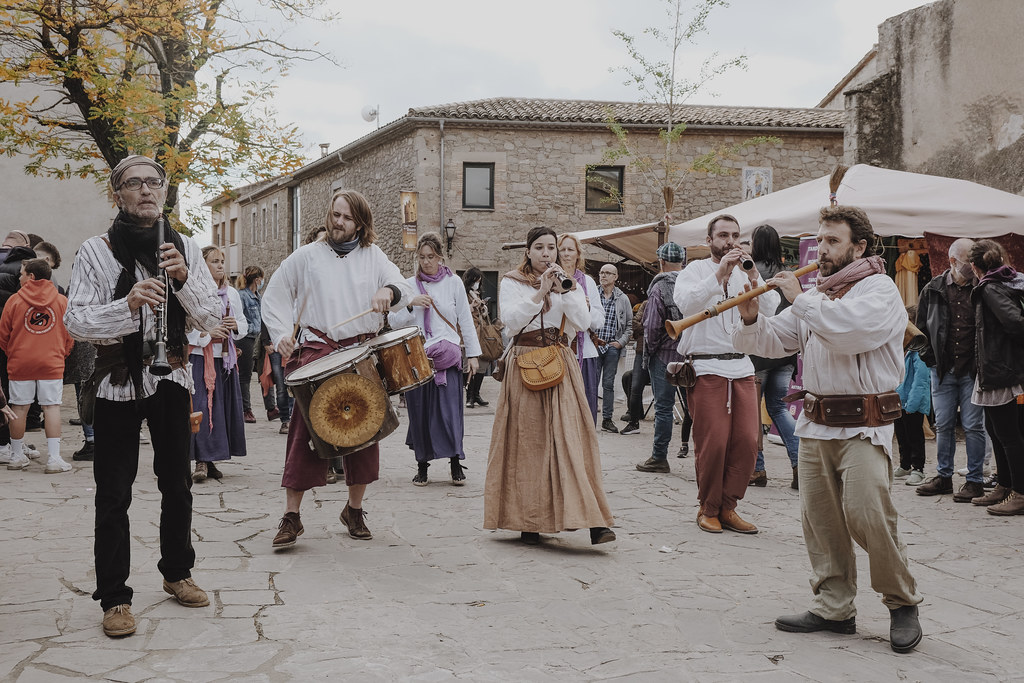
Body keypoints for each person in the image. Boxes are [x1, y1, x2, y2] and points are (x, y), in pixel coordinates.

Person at [733, 205, 923, 653]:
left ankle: (901, 602)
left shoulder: (879, 290)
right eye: (820, 240)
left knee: (868, 514)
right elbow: (774, 341)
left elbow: (848, 332)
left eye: (832, 241)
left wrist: (799, 297)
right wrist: (748, 315)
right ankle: (834, 607)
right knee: (820, 522)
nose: (822, 249)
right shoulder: (817, 294)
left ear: (859, 246)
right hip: (816, 424)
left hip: (864, 424)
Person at [64, 155, 222, 638]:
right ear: (119, 195)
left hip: (170, 378)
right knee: (113, 494)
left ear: (165, 192)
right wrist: (128, 304)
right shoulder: (96, 250)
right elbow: (77, 321)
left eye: (154, 182)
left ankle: (177, 572)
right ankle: (114, 598)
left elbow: (212, 318)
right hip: (117, 384)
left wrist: (183, 281)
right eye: (134, 184)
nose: (147, 190)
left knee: (177, 485)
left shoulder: (186, 247)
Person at [262, 189, 414, 548]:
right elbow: (276, 294)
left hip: (359, 354)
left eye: (346, 217)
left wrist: (389, 293)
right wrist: (283, 333)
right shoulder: (307, 257)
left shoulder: (373, 256)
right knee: (305, 435)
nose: (337, 221)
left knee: (364, 433)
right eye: (334, 214)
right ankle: (292, 516)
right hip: (318, 350)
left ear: (360, 223)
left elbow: (403, 287)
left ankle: (354, 509)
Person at [484, 226, 615, 546]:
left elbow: (583, 323)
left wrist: (565, 291)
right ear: (528, 251)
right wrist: (540, 292)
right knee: (527, 444)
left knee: (573, 441)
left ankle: (594, 521)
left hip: (560, 361)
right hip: (524, 362)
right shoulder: (511, 282)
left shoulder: (566, 282)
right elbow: (512, 322)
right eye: (539, 248)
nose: (547, 254)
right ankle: (529, 520)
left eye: (551, 248)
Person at [675, 215, 776, 534]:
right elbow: (685, 305)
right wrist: (720, 273)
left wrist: (754, 273)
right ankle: (709, 507)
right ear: (709, 241)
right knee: (714, 442)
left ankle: (729, 506)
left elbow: (772, 307)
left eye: (735, 235)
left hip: (742, 365)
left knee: (748, 442)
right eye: (722, 235)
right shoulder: (694, 270)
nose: (730, 241)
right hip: (705, 365)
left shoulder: (748, 270)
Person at [389, 232, 480, 486]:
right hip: (418, 359)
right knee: (420, 413)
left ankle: (454, 463)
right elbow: (392, 322)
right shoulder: (408, 285)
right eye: (422, 257)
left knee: (451, 413)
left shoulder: (454, 283)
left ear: (440, 257)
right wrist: (410, 304)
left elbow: (465, 319)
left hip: (448, 358)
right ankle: (422, 466)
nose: (426, 262)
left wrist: (473, 355)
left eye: (431, 257)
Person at [915, 238, 987, 501]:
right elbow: (920, 328)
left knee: (973, 426)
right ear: (953, 261)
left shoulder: (982, 288)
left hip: (972, 371)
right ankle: (944, 477)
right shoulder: (932, 289)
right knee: (943, 424)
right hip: (942, 370)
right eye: (969, 261)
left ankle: (975, 481)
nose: (972, 266)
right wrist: (929, 359)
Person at [964, 239, 1024, 514]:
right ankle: (1005, 485)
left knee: (1009, 434)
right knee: (996, 431)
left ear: (975, 266)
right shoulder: (1012, 281)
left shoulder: (990, 288)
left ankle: (1020, 493)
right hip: (1000, 368)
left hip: (1002, 369)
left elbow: (1014, 322)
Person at [0, 258, 75, 472]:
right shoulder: (62, 301)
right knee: (51, 407)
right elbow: (70, 333)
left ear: (31, 276)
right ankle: (53, 458)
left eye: (22, 273)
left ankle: (15, 455)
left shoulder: (14, 301)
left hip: (20, 362)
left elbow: (3, 334)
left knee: (18, 407)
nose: (20, 277)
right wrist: (63, 353)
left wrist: (13, 352)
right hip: (51, 361)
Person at [187, 246, 248, 482]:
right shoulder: (195, 293)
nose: (221, 265)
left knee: (221, 410)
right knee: (202, 408)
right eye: (215, 261)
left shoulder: (231, 294)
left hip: (225, 360)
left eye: (222, 261)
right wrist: (206, 332)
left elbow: (244, 324)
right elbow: (186, 327)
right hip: (202, 358)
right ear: (203, 265)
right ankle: (200, 459)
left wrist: (234, 326)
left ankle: (211, 460)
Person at [747, 224, 801, 490]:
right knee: (779, 408)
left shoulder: (750, 272)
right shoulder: (790, 274)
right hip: (785, 351)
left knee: (752, 413)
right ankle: (799, 464)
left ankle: (757, 470)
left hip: (757, 352)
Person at [634, 242, 686, 472]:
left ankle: (659, 456)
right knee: (696, 409)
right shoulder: (692, 284)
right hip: (691, 353)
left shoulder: (660, 287)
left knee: (664, 407)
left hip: (665, 355)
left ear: (661, 262)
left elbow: (653, 326)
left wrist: (650, 352)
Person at [556, 233, 604, 423]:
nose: (566, 254)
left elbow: (599, 321)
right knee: (562, 411)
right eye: (562, 250)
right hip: (557, 353)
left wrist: (587, 308)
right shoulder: (549, 280)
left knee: (584, 411)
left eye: (570, 250)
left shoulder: (588, 282)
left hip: (584, 354)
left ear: (578, 254)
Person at [893, 305, 930, 485]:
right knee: (901, 434)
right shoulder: (900, 347)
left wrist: (913, 404)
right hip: (899, 401)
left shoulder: (919, 349)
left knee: (915, 435)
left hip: (912, 402)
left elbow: (921, 380)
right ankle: (905, 464)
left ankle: (918, 468)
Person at [595, 263, 632, 433]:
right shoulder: (593, 294)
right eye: (602, 272)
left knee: (608, 384)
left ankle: (607, 420)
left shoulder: (622, 298)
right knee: (590, 383)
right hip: (594, 345)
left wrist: (621, 342)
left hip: (611, 347)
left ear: (615, 277)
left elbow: (630, 325)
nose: (604, 276)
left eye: (608, 273)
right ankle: (588, 417)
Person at [236, 266, 264, 424]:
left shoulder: (257, 295)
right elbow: (240, 318)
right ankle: (245, 409)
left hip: (256, 339)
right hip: (245, 339)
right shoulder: (242, 296)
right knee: (245, 376)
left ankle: (270, 407)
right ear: (257, 279)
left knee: (258, 374)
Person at [463, 267, 490, 408]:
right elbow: (459, 312)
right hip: (470, 333)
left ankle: (477, 394)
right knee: (469, 365)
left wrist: (483, 307)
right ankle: (469, 396)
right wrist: (471, 306)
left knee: (482, 365)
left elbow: (483, 315)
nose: (477, 284)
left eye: (479, 281)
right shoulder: (464, 294)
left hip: (481, 333)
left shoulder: (477, 294)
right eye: (475, 281)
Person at [621, 299, 648, 432]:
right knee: (631, 380)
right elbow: (635, 324)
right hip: (642, 351)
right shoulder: (646, 304)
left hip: (661, 354)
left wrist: (647, 328)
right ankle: (634, 416)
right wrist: (652, 328)